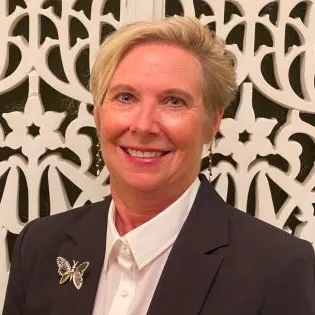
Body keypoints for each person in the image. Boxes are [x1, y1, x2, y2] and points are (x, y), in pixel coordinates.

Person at [2, 16, 315, 315]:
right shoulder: (40, 247)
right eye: (125, 97)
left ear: (213, 121)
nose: (144, 125)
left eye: (174, 101)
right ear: (98, 114)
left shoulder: (278, 268)